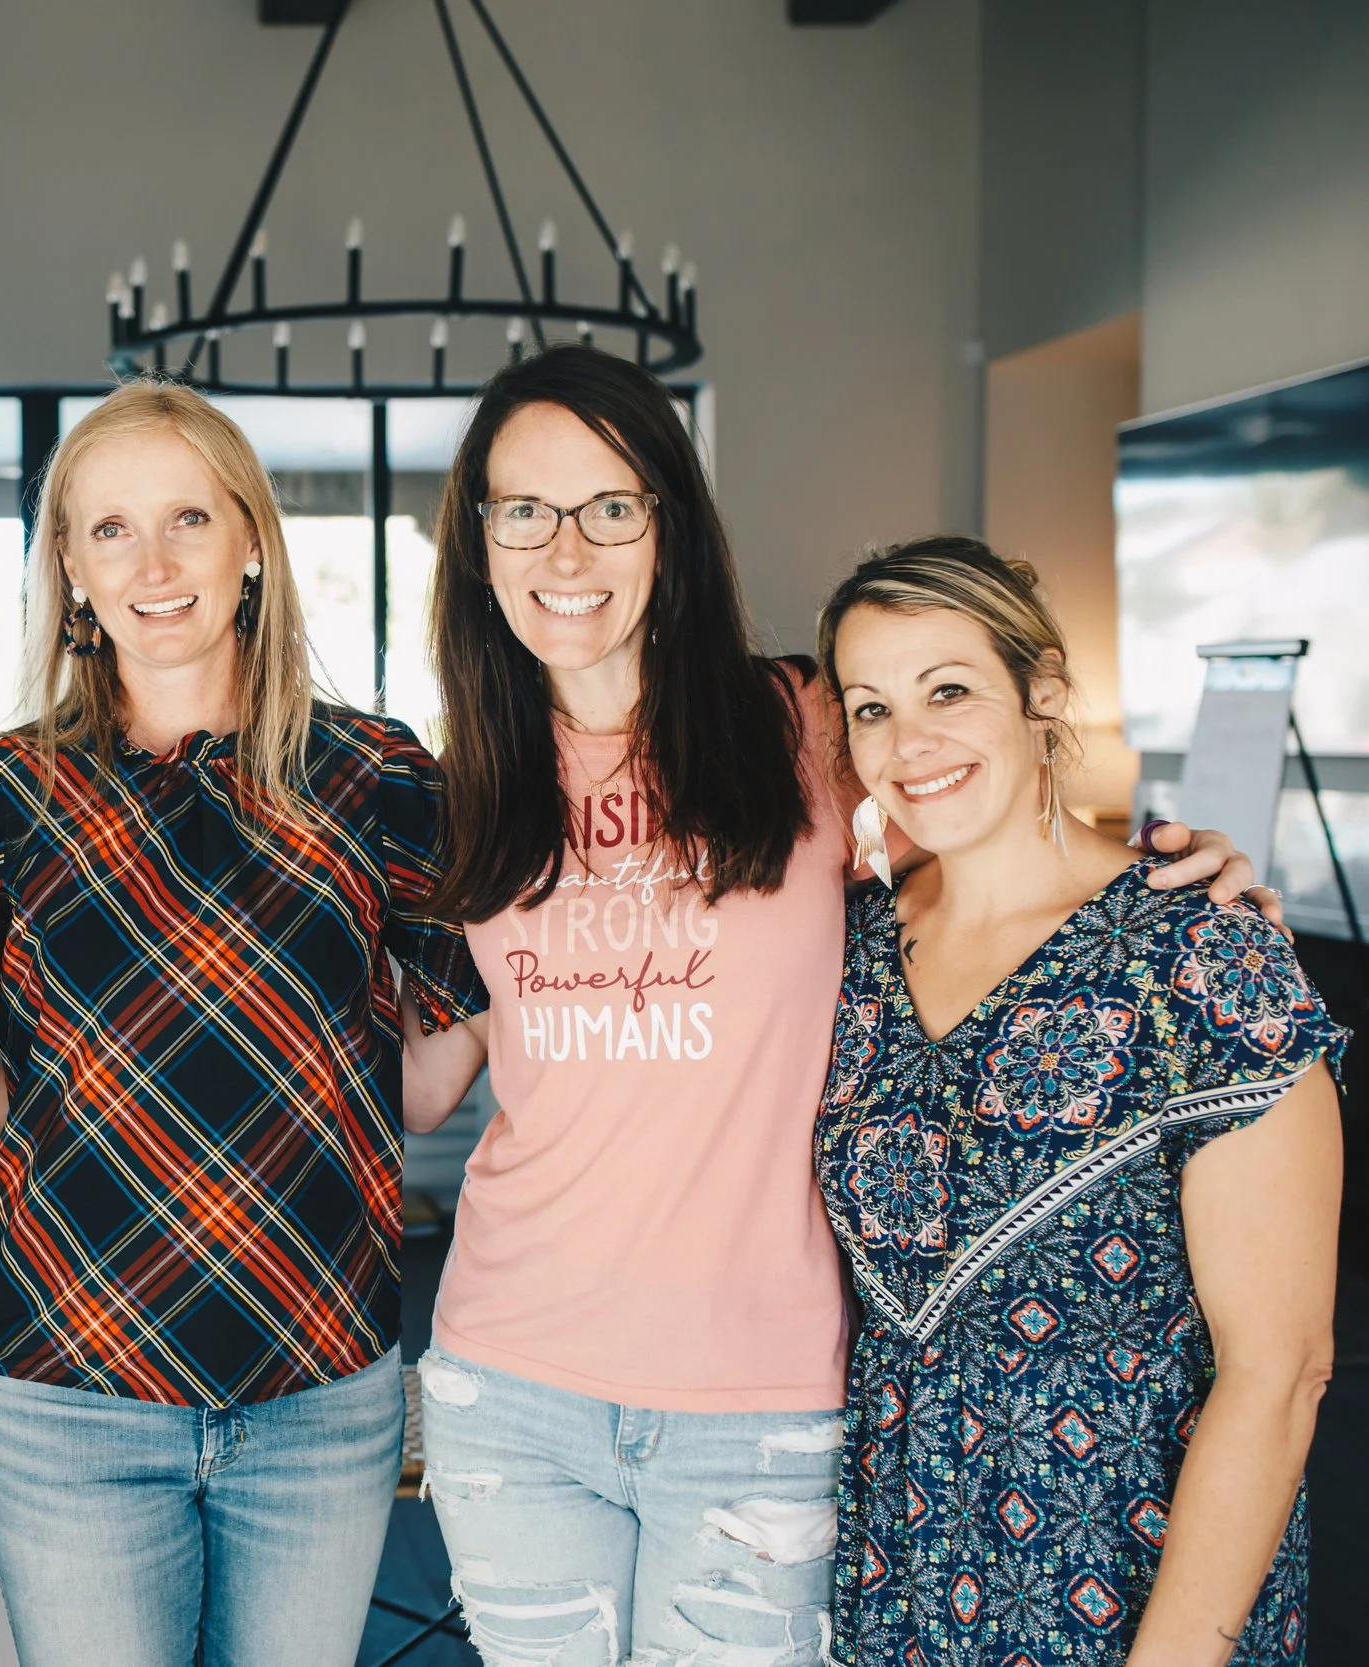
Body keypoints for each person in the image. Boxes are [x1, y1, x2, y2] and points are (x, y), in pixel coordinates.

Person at [396, 346, 1278, 1665]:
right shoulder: (468, 778)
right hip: (509, 1384)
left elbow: (984, 840)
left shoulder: (799, 721)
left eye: (611, 505)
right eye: (524, 508)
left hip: (761, 1401)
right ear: (479, 540)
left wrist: (1163, 865)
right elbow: (437, 1049)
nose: (566, 546)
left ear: (669, 526)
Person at [0, 379, 486, 1666]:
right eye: (108, 528)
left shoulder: (380, 774)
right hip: (67, 1384)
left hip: (317, 1381)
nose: (153, 561)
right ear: (67, 563)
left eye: (187, 517)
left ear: (251, 545)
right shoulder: (4, 788)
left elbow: (432, 1072)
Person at [813, 538, 1341, 1666]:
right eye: (870, 707)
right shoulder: (851, 951)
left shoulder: (1204, 959)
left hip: (1130, 1591)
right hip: (894, 1588)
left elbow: (1279, 1370)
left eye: (947, 689)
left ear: (1040, 690)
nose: (907, 743)